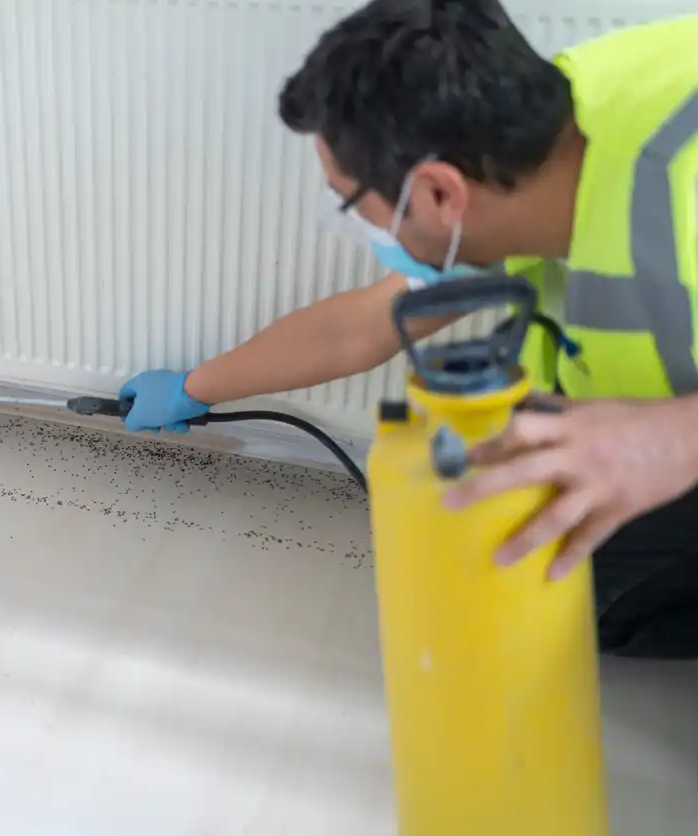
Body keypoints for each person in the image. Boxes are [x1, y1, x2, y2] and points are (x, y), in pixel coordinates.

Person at [119, 0, 698, 659]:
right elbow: (361, 329)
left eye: (348, 203)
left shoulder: (680, 200)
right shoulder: (537, 142)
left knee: (567, 583)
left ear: (439, 194)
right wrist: (193, 387)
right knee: (526, 559)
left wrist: (666, 439)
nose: (358, 226)